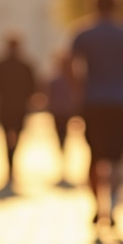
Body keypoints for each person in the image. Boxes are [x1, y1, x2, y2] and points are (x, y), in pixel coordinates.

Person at [67, 0, 123, 227]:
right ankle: (112, 204)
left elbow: (67, 63)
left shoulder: (82, 33)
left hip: (92, 103)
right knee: (117, 158)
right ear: (118, 6)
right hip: (120, 103)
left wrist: (78, 89)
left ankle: (96, 206)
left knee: (94, 156)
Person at [0, 35, 36, 185]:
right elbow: (33, 86)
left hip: (5, 107)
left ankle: (10, 166)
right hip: (18, 107)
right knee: (15, 137)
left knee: (7, 137)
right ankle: (11, 165)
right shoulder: (25, 66)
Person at [46, 52, 78, 185]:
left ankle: (64, 165)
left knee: (63, 138)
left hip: (63, 113)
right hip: (61, 112)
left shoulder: (61, 80)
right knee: (62, 138)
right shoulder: (58, 80)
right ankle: (62, 165)